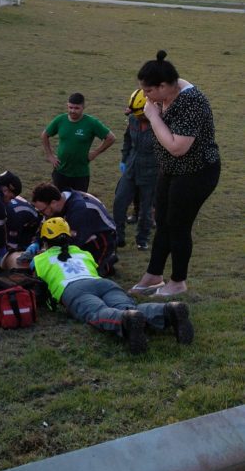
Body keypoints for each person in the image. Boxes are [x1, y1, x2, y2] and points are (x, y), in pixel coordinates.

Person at [130, 50, 221, 297]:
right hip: (171, 170)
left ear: (162, 86)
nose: (145, 96)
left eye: (148, 91)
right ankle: (153, 275)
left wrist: (152, 116)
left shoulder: (191, 101)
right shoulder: (165, 95)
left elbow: (177, 147)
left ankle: (178, 281)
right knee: (163, 221)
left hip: (197, 172)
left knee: (178, 225)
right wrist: (152, 109)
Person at [32, 217, 194, 354]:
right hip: (102, 283)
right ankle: (167, 310)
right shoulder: (83, 253)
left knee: (97, 313)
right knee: (128, 306)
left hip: (73, 290)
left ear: (45, 241)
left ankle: (124, 321)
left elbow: (38, 285)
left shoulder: (39, 260)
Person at [31, 182, 117, 276]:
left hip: (102, 239)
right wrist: (36, 241)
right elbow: (47, 225)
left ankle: (107, 263)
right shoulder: (59, 202)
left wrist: (44, 255)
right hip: (82, 234)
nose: (42, 214)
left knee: (86, 274)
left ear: (53, 203)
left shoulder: (79, 211)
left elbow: (72, 243)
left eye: (42, 211)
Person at [41, 92, 115, 192]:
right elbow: (44, 135)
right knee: (58, 203)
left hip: (80, 174)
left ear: (83, 107)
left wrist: (95, 153)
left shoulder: (91, 123)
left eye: (76, 108)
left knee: (78, 204)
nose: (73, 111)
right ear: (67, 105)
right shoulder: (60, 120)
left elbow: (111, 138)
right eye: (70, 107)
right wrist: (50, 155)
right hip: (60, 171)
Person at [113, 88, 159, 251]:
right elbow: (127, 139)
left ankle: (142, 239)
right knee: (119, 201)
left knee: (146, 209)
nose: (138, 117)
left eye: (140, 114)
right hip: (131, 168)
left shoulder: (160, 125)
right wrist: (124, 158)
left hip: (151, 173)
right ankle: (118, 236)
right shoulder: (133, 120)